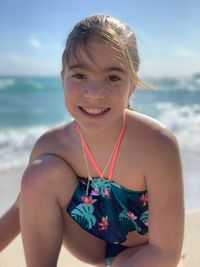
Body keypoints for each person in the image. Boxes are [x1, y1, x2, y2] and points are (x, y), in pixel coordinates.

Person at [0, 14, 184, 267]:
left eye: (113, 77)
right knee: (39, 173)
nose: (95, 93)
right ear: (63, 77)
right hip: (88, 243)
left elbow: (165, 252)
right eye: (79, 76)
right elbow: (22, 211)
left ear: (132, 85)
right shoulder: (52, 145)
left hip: (144, 251)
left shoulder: (156, 144)